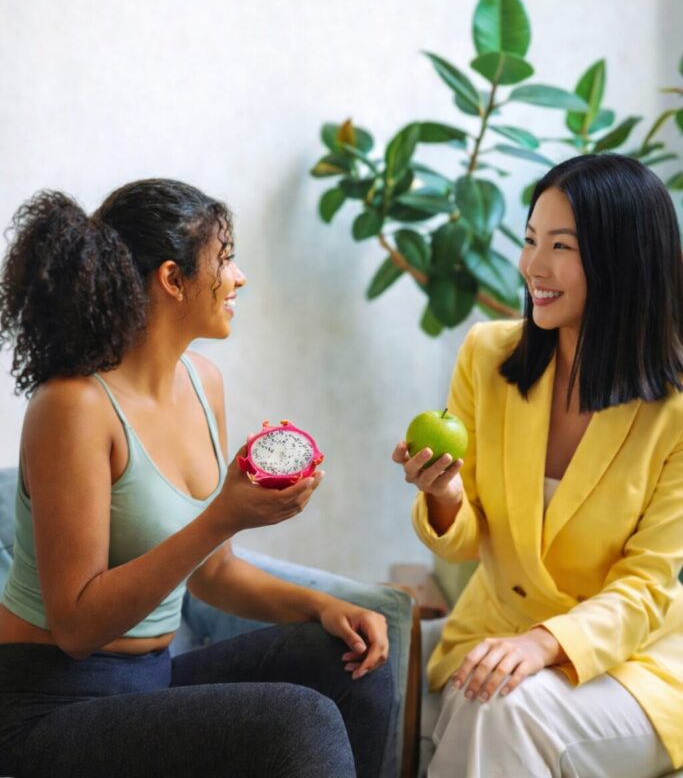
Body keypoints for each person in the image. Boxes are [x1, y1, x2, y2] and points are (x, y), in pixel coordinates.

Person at [0, 178, 393, 778]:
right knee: (299, 719)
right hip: (49, 704)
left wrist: (322, 606)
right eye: (226, 258)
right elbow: (77, 626)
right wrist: (222, 516)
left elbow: (215, 574)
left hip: (148, 683)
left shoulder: (203, 382)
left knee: (347, 654)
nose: (240, 278)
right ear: (173, 280)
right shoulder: (74, 406)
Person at [393, 154, 683, 778]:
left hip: (635, 661)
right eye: (529, 240)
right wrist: (444, 493)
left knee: (500, 708)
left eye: (561, 246)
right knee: (491, 702)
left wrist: (544, 644)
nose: (532, 267)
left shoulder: (675, 409)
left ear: (622, 261)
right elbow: (467, 543)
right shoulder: (487, 354)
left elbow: (648, 586)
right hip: (494, 638)